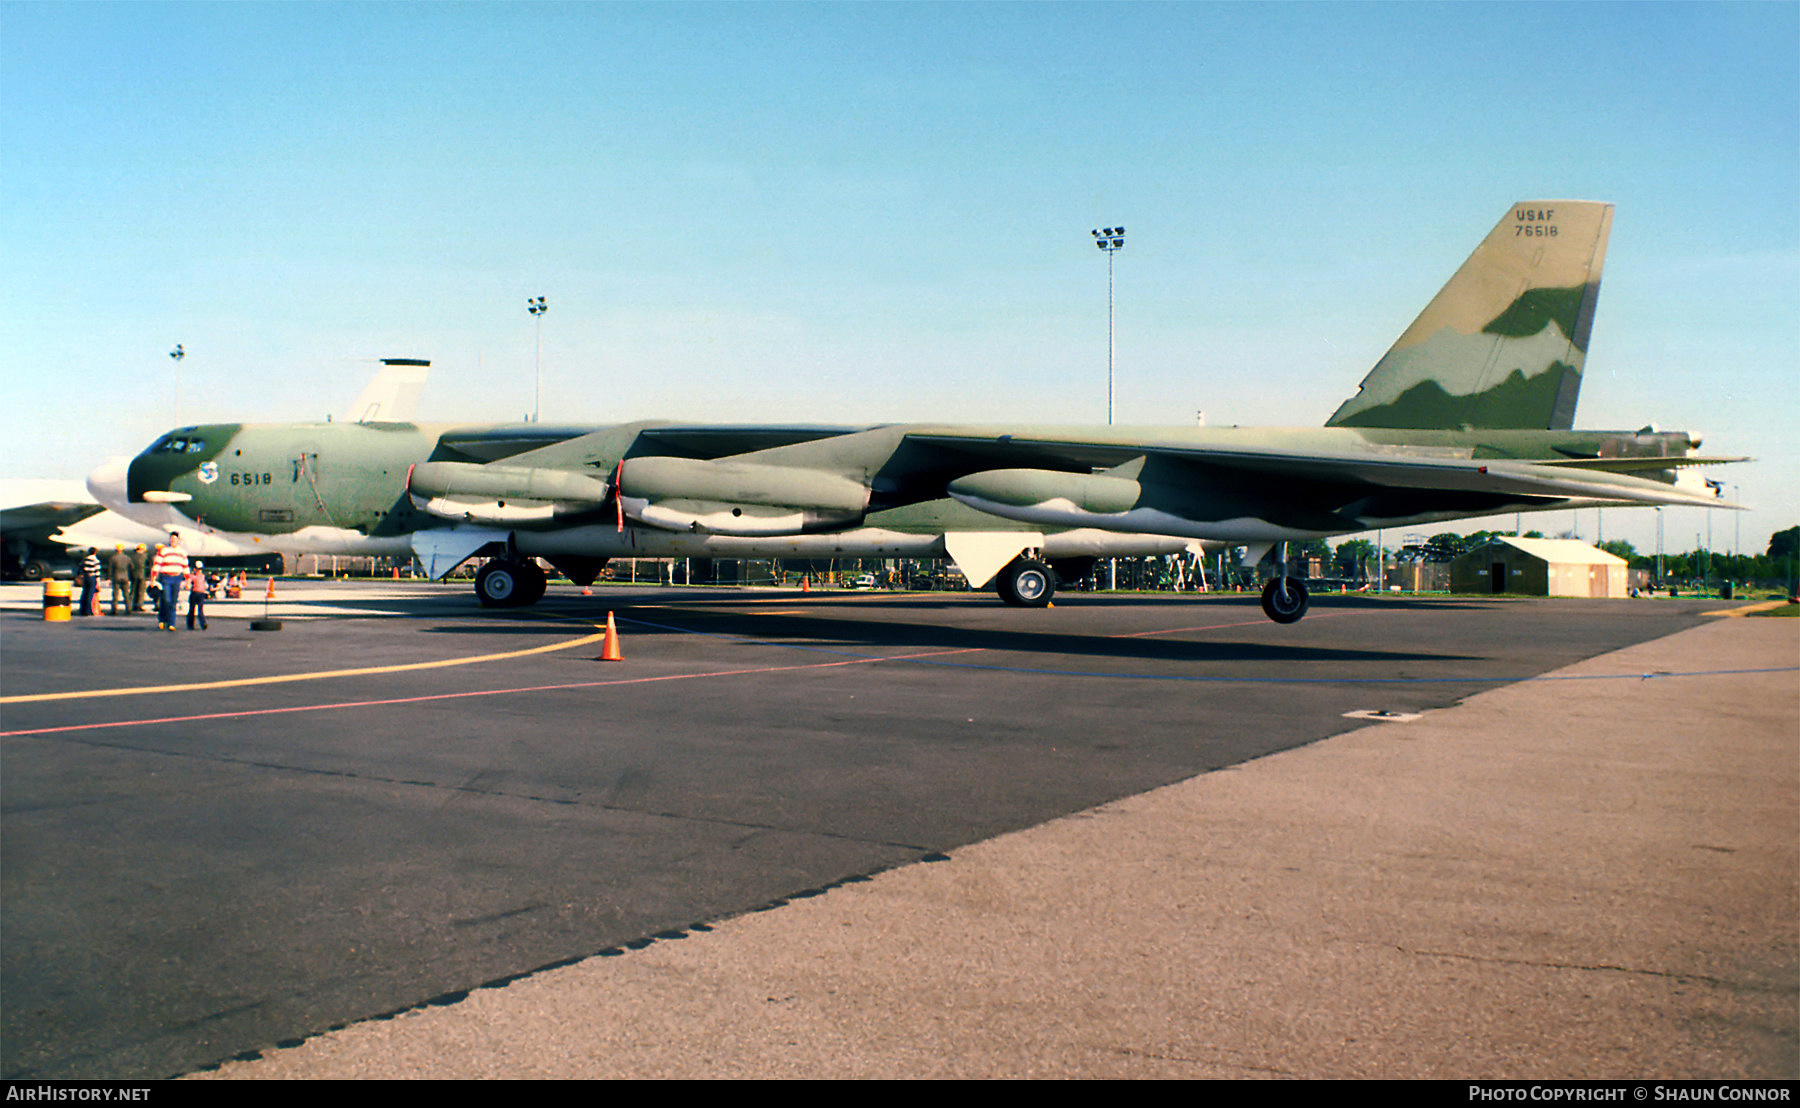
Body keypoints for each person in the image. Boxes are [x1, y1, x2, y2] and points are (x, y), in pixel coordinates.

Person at [150, 534, 189, 632]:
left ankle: (171, 623)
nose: (173, 541)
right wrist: (153, 579)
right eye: (171, 539)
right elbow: (157, 565)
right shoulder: (164, 551)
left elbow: (185, 566)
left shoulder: (182, 552)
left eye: (175, 539)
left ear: (178, 540)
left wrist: (187, 580)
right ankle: (162, 618)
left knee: (173, 601)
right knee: (166, 600)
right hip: (166, 577)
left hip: (176, 578)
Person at [185, 561, 211, 631]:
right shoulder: (192, 576)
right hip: (195, 593)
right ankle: (190, 624)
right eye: (198, 569)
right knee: (192, 609)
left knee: (200, 609)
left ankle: (203, 623)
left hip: (200, 593)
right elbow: (187, 583)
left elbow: (205, 585)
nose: (199, 571)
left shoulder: (202, 576)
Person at [108, 544, 132, 615]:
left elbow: (110, 569)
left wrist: (109, 578)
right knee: (126, 594)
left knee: (115, 594)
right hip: (125, 577)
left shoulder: (113, 558)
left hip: (116, 577)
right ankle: (128, 608)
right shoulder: (127, 558)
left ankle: (114, 609)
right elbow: (131, 567)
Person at [77, 548, 101, 616]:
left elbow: (80, 568)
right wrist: (98, 583)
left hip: (86, 577)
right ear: (95, 552)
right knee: (90, 594)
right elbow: (97, 572)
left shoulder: (85, 560)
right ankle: (88, 611)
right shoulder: (96, 560)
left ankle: (82, 609)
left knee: (84, 593)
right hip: (92, 578)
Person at [129, 543, 148, 612]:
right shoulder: (144, 556)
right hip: (142, 575)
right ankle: (139, 605)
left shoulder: (132, 556)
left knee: (133, 591)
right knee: (141, 592)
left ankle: (130, 605)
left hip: (133, 575)